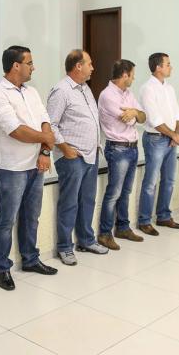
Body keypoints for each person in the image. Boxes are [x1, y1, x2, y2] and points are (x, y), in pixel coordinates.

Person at [0, 45, 58, 291]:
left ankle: (30, 259)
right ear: (16, 65)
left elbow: (45, 120)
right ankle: (2, 268)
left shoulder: (32, 92)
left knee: (31, 216)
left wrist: (45, 151)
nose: (33, 67)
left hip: (36, 164)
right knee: (6, 220)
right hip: (11, 167)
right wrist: (47, 139)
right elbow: (16, 131)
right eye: (29, 63)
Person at [47, 49, 109, 266]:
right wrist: (65, 148)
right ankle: (65, 247)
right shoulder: (61, 90)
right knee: (69, 203)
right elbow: (50, 125)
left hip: (90, 155)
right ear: (78, 66)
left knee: (87, 200)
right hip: (72, 157)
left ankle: (86, 240)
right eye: (89, 64)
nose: (93, 68)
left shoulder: (85, 89)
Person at [97, 59, 146, 250]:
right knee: (114, 193)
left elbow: (142, 117)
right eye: (132, 75)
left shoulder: (128, 93)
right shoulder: (107, 95)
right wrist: (134, 114)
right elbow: (128, 120)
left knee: (125, 192)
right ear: (125, 75)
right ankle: (104, 233)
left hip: (132, 147)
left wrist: (135, 112)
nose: (134, 78)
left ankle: (123, 228)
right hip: (117, 149)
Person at [137, 53, 179, 235]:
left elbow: (177, 114)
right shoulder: (147, 89)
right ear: (158, 67)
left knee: (169, 180)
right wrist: (173, 135)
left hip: (171, 140)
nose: (171, 67)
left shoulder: (169, 88)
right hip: (155, 140)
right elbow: (155, 120)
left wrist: (176, 135)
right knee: (151, 182)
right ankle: (144, 221)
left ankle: (164, 216)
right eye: (168, 64)